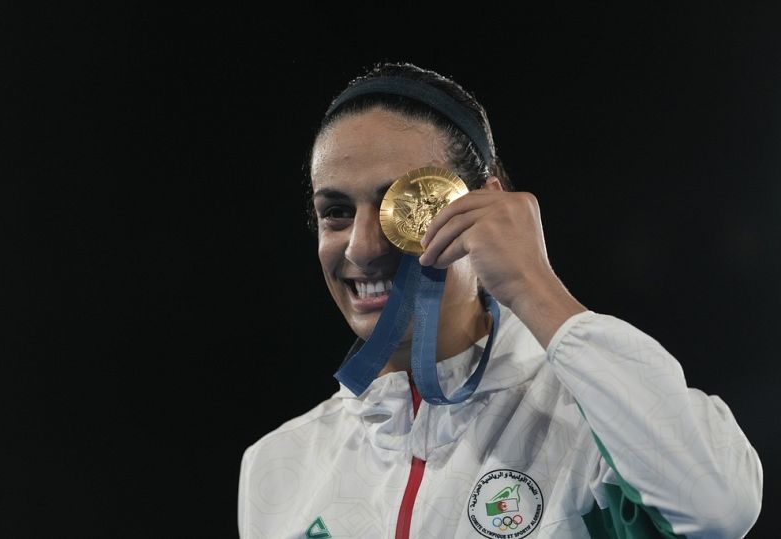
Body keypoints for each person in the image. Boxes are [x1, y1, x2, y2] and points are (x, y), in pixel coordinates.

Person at [237, 61, 763, 539]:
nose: (363, 247)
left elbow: (719, 507)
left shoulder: (589, 418)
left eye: (407, 204)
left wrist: (532, 282)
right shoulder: (279, 465)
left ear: (485, 204)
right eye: (336, 212)